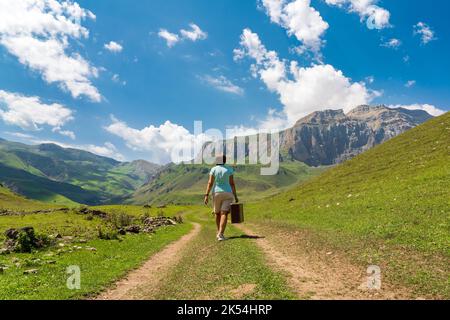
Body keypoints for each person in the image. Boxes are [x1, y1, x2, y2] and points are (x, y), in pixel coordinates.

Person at [204, 155, 239, 241]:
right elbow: (232, 184)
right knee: (224, 213)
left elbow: (210, 183)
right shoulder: (229, 169)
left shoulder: (213, 169)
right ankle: (221, 233)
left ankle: (218, 232)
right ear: (224, 160)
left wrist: (206, 195)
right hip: (228, 193)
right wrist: (235, 195)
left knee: (217, 213)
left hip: (216, 193)